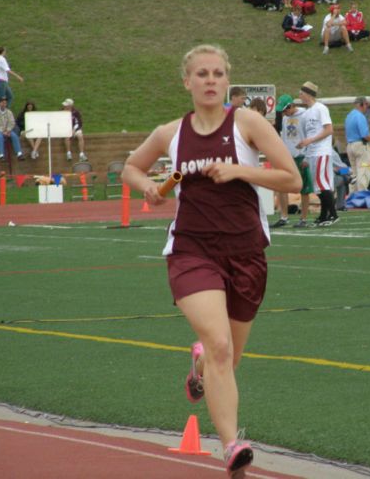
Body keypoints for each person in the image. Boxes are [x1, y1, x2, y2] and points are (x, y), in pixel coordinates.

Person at [120, 45, 300, 479]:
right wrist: (147, 186)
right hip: (192, 251)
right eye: (201, 73)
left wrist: (243, 172)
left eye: (218, 73)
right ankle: (231, 446)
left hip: (246, 253)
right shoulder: (171, 133)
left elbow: (292, 178)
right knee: (220, 346)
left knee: (227, 358)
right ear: (187, 82)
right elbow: (131, 166)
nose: (211, 80)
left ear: (227, 81)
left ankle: (198, 365)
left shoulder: (248, 123)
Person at [296, 81, 337, 225]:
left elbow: (328, 130)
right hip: (313, 153)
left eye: (301, 93)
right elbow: (309, 135)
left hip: (321, 151)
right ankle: (324, 215)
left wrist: (310, 140)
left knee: (322, 184)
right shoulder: (306, 113)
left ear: (308, 94)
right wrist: (307, 155)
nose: (300, 96)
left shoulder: (321, 108)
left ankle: (333, 214)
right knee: (318, 187)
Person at [345, 97, 370, 193]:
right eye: (366, 106)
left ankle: (353, 196)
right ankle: (362, 195)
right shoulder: (360, 116)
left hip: (350, 146)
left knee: (354, 173)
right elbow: (365, 135)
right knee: (364, 170)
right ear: (362, 104)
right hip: (360, 146)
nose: (367, 108)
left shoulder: (349, 116)